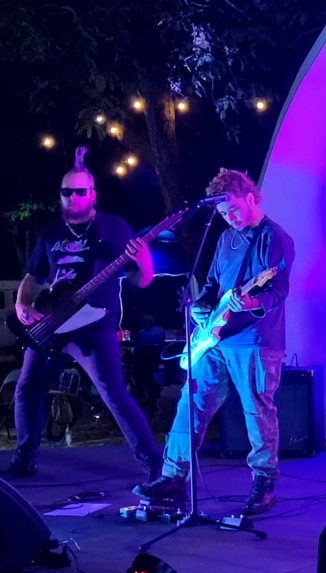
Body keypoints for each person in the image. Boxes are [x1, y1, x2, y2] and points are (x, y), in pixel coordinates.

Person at [135, 169, 294, 516]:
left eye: (233, 209)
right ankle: (173, 476)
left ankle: (264, 483)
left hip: (255, 339)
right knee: (191, 401)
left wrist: (251, 302)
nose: (229, 217)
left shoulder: (274, 237)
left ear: (250, 198)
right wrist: (201, 307)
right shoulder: (225, 239)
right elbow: (211, 285)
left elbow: (278, 290)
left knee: (257, 410)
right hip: (215, 338)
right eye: (223, 213)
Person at [2, 147, 163, 484]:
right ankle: (24, 460)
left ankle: (154, 465)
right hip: (50, 326)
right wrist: (21, 304)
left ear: (93, 194)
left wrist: (145, 263)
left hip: (95, 324)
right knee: (27, 389)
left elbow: (140, 279)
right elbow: (33, 277)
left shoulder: (113, 227)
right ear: (60, 195)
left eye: (80, 191)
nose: (73, 197)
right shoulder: (50, 232)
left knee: (114, 394)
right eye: (67, 192)